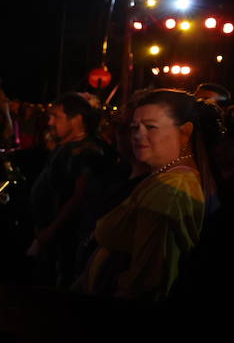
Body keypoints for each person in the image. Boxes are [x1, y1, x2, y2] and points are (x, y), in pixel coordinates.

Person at [77, 89, 220, 301]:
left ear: (185, 132)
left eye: (150, 127)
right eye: (134, 127)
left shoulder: (172, 190)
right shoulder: (163, 179)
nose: (137, 135)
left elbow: (147, 280)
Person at [27, 93, 115, 287]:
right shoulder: (67, 147)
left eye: (56, 116)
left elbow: (79, 196)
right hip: (50, 236)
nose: (50, 122)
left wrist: (51, 231)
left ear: (77, 119)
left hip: (66, 241)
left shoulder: (88, 151)